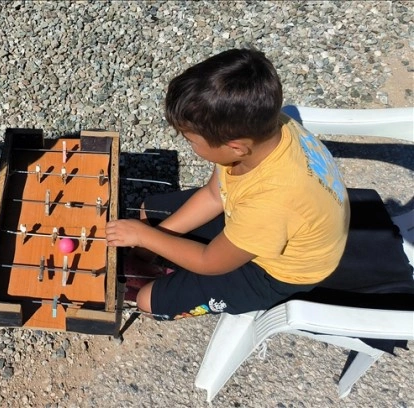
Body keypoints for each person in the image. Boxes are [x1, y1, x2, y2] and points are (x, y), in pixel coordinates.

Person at [106, 48, 350, 319]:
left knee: (147, 300)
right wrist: (156, 236)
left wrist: (145, 237)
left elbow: (209, 262)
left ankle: (174, 279)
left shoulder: (273, 201)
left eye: (192, 141)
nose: (190, 147)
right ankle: (170, 261)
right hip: (257, 222)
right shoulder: (265, 130)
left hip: (275, 272)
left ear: (236, 148)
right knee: (149, 212)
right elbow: (214, 195)